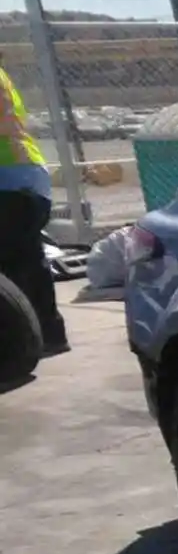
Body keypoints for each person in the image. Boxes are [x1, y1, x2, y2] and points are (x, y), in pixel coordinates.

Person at [0, 64, 69, 357]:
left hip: (13, 179)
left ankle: (28, 340)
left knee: (16, 261)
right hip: (21, 178)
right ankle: (46, 334)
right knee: (25, 258)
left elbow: (4, 120)